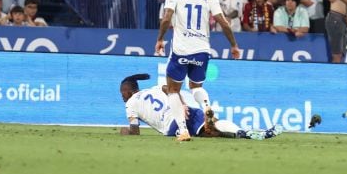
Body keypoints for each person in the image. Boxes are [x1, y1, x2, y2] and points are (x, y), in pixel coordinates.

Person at [155, 0, 241, 142]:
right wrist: (233, 45)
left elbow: (166, 18)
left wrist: (160, 39)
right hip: (202, 49)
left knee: (172, 90)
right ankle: (207, 107)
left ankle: (183, 131)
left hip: (181, 50)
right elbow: (223, 22)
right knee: (196, 86)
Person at [118, 74, 298, 140]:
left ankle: (245, 134)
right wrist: (181, 104)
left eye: (122, 93)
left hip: (172, 126)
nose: (122, 97)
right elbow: (171, 89)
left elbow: (135, 131)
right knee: (213, 125)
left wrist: (123, 131)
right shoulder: (155, 88)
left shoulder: (131, 105)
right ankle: (245, 132)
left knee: (211, 132)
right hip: (184, 110)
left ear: (129, 91)